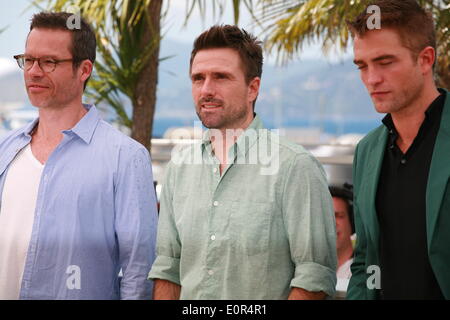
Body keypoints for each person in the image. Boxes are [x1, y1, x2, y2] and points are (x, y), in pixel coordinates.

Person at [148, 25, 337, 300]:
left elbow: (314, 278)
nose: (207, 89)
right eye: (198, 78)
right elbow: (168, 268)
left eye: (221, 77)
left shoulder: (295, 167)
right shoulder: (179, 167)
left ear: (253, 88)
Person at [0, 12, 158, 299]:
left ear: (84, 70)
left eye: (49, 62)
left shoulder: (125, 158)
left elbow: (138, 271)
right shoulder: (6, 149)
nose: (34, 71)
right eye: (29, 60)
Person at [347, 0, 450, 300]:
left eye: (385, 62)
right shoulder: (367, 150)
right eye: (362, 66)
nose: (371, 79)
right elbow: (365, 259)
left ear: (425, 59)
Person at [329, 185, 355, 294]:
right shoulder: (307, 270)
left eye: (338, 216)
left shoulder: (364, 270)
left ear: (352, 223)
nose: (332, 223)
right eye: (325, 216)